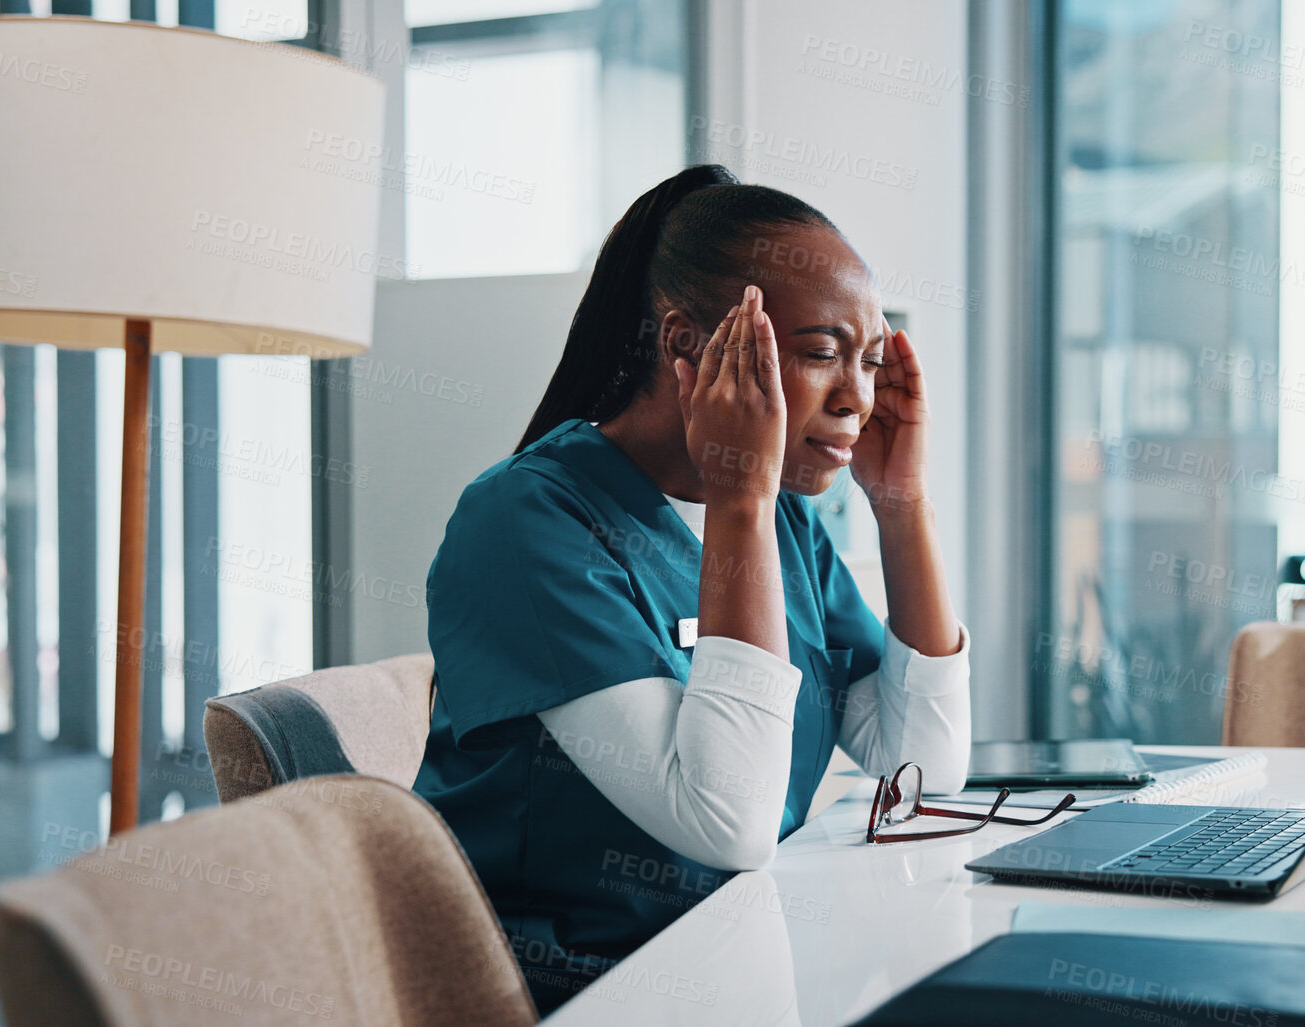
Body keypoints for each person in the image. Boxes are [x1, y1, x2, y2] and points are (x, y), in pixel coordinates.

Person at [413, 163, 970, 1013]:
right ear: (685, 346)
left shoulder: (784, 520)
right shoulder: (526, 521)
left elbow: (918, 772)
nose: (857, 396)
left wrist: (901, 507)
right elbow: (727, 825)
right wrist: (742, 493)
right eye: (821, 353)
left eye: (869, 359)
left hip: (749, 962)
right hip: (583, 993)